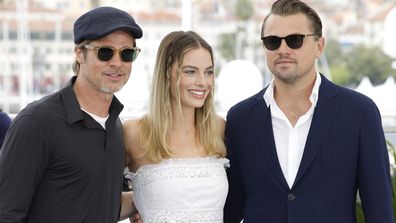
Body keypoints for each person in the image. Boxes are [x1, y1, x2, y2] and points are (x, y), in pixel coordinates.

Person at [224, 0, 394, 222]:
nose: (283, 49)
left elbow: (379, 208)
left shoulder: (360, 113)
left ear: (319, 46)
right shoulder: (240, 119)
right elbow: (232, 207)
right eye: (272, 41)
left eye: (295, 40)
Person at [0, 6, 142, 222]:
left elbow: (95, 204)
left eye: (127, 53)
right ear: (79, 54)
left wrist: (143, 202)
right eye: (105, 52)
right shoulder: (37, 122)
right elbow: (6, 212)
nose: (117, 63)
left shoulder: (115, 126)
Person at [122, 30, 228, 222]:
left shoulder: (220, 129)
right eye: (190, 71)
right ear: (166, 73)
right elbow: (99, 199)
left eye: (209, 72)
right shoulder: (133, 133)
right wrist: (140, 200)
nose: (203, 82)